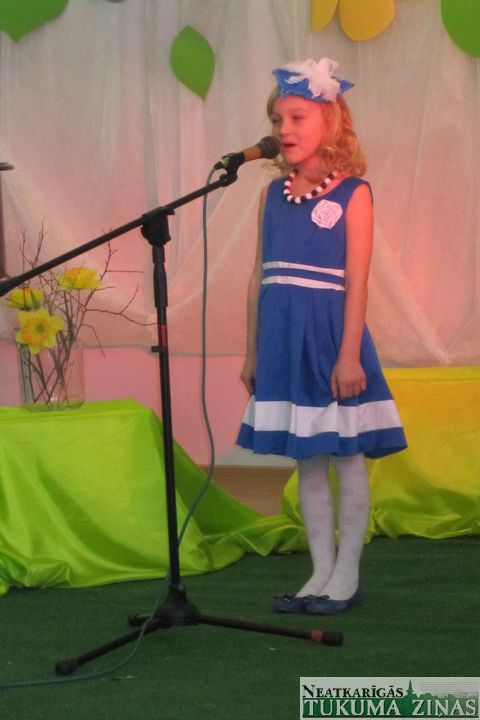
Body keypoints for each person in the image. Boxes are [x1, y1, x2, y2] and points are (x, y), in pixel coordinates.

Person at [237, 58, 407, 615]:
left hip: (331, 340)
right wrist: (253, 351)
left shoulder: (354, 193)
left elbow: (357, 280)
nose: (283, 129)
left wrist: (349, 354)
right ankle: (319, 570)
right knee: (307, 461)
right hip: (283, 339)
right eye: (277, 119)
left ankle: (347, 575)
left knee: (345, 456)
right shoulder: (272, 196)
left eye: (297, 118)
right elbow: (258, 277)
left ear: (329, 123)